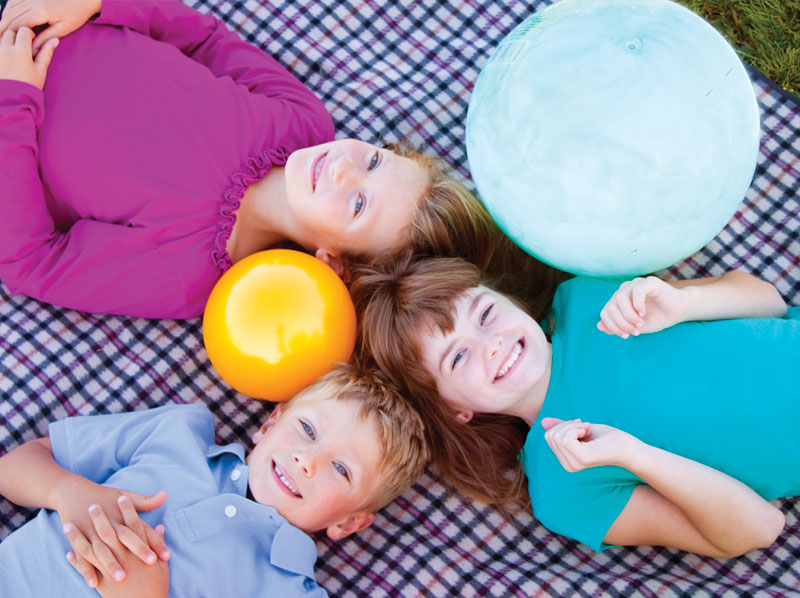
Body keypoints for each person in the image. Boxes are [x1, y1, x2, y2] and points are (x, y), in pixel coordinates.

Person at [0, 0, 563, 320]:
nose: (343, 169)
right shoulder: (300, 120)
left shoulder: (189, 275)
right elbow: (202, 39)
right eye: (372, 159)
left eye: (359, 203)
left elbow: (29, 260)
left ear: (334, 262)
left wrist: (14, 97)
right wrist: (96, 3)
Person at [352, 255, 800, 558]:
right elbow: (758, 528)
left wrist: (684, 303)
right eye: (458, 357)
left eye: (486, 314)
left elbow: (770, 302)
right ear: (453, 409)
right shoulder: (562, 486)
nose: (490, 345)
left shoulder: (585, 301)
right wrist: (634, 454)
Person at [0, 363, 429, 596]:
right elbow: (13, 467)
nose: (307, 460)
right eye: (309, 431)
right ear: (270, 422)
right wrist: (67, 491)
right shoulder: (178, 433)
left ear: (349, 523)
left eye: (341, 469)